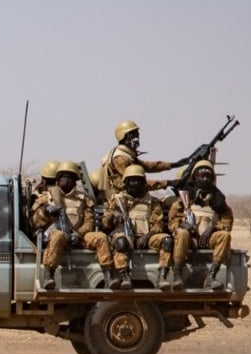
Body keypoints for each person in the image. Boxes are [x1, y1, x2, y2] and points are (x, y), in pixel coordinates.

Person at [31, 162, 113, 290]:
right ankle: (49, 275)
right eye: (64, 177)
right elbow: (34, 222)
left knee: (101, 237)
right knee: (58, 235)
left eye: (71, 178)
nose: (67, 180)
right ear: (58, 180)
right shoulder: (47, 198)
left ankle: (108, 275)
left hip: (79, 236)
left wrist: (78, 234)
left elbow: (89, 222)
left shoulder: (83, 199)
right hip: (59, 238)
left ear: (75, 181)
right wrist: (45, 211)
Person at [100, 165, 174, 290]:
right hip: (123, 236)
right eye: (131, 180)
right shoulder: (116, 200)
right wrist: (113, 216)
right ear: (126, 183)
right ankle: (124, 276)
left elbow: (158, 224)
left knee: (167, 240)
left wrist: (148, 235)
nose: (134, 184)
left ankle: (162, 276)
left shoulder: (152, 202)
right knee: (121, 242)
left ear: (143, 183)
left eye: (137, 180)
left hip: (145, 238)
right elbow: (105, 224)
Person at [92, 119, 192, 205]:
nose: (137, 138)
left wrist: (174, 164)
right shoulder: (120, 158)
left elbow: (148, 166)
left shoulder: (127, 155)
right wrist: (168, 183)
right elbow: (137, 183)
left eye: (137, 134)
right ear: (124, 136)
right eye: (133, 135)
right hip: (124, 197)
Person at [168, 160, 233, 290]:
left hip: (208, 239)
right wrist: (182, 225)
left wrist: (213, 229)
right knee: (182, 233)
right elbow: (172, 221)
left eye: (208, 176)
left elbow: (227, 223)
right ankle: (177, 275)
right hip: (189, 240)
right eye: (201, 176)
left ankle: (211, 276)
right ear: (195, 177)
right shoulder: (185, 199)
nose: (204, 179)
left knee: (225, 235)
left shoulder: (219, 201)